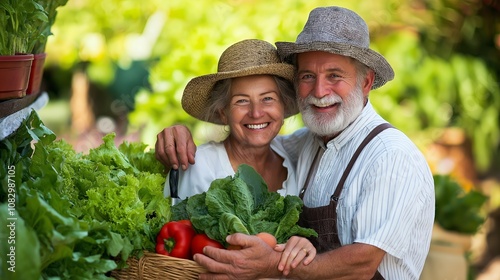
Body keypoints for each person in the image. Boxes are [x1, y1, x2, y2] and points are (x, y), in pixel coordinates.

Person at [156, 6, 435, 280]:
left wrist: (274, 265)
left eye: (334, 76)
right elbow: (254, 141)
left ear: (366, 82)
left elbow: (362, 265)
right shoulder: (308, 145)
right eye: (307, 76)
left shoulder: (391, 156)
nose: (319, 91)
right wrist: (175, 136)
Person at [156, 39, 317, 272]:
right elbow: (183, 259)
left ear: (284, 105)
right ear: (223, 113)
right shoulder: (199, 165)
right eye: (241, 101)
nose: (256, 112)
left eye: (268, 98)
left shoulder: (294, 157)